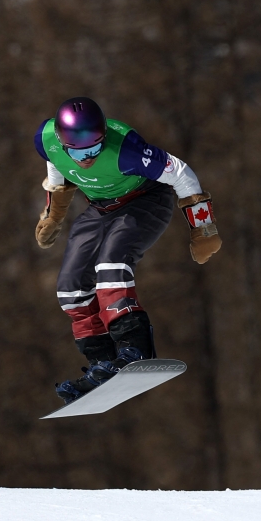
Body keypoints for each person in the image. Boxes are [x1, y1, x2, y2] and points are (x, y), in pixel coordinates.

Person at [34, 97, 221, 403]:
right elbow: (56, 164)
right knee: (70, 287)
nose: (87, 159)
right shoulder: (46, 139)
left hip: (145, 199)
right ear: (61, 140)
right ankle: (102, 361)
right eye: (78, 152)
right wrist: (54, 214)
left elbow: (181, 172)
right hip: (100, 207)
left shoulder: (126, 148)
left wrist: (204, 228)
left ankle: (135, 349)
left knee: (111, 266)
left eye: (95, 149)